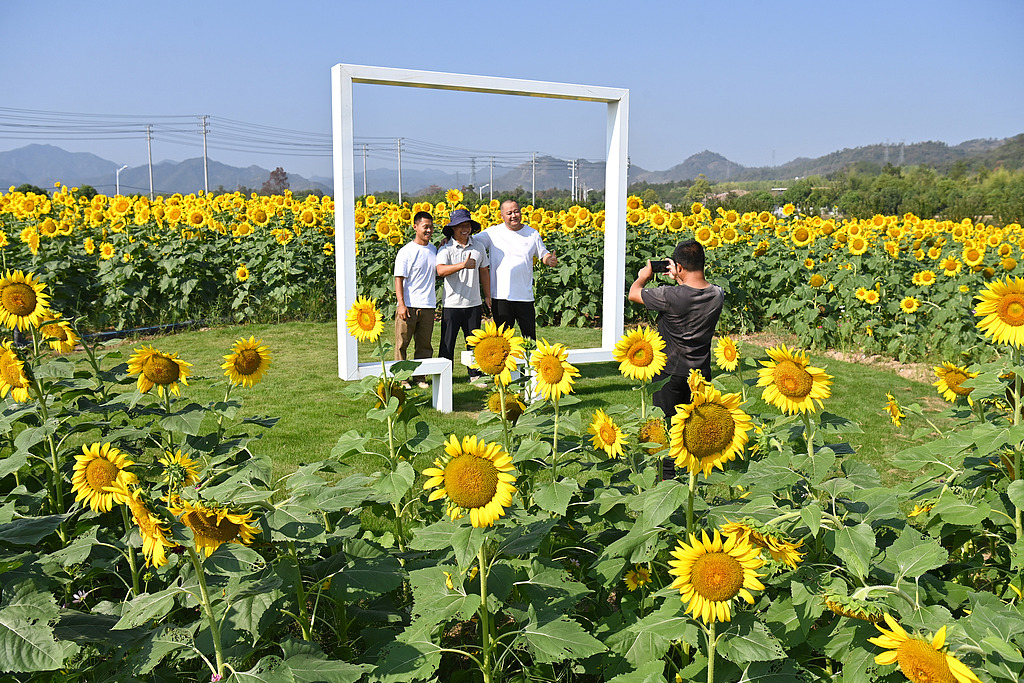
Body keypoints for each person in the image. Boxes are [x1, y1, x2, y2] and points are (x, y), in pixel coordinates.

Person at [627, 239, 724, 419]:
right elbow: (692, 292)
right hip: (700, 374)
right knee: (696, 429)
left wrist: (643, 276)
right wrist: (680, 277)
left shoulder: (669, 296)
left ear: (679, 266)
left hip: (670, 374)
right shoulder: (718, 294)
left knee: (668, 428)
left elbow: (633, 294)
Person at [474, 199, 557, 339]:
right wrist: (449, 240)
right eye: (509, 213)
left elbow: (543, 254)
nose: (514, 215)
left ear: (521, 212)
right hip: (501, 296)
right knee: (502, 340)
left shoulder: (532, 234)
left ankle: (529, 362)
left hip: (524, 296)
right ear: (502, 216)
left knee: (529, 338)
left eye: (516, 211)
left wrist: (550, 260)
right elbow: (470, 241)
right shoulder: (492, 233)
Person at [436, 208, 491, 389]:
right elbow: (440, 270)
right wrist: (462, 265)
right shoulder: (446, 248)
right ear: (452, 229)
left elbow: (484, 271)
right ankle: (444, 376)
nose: (464, 229)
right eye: (460, 226)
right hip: (452, 303)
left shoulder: (479, 247)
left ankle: (475, 375)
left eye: (467, 225)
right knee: (447, 343)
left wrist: (487, 296)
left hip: (473, 303)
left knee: (474, 343)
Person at [394, 211, 437, 388]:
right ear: (415, 227)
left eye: (431, 227)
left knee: (424, 345)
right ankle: (401, 378)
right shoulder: (406, 252)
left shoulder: (434, 249)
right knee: (402, 343)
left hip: (428, 304)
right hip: (409, 305)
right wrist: (401, 304)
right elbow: (399, 278)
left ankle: (420, 377)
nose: (429, 230)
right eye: (425, 226)